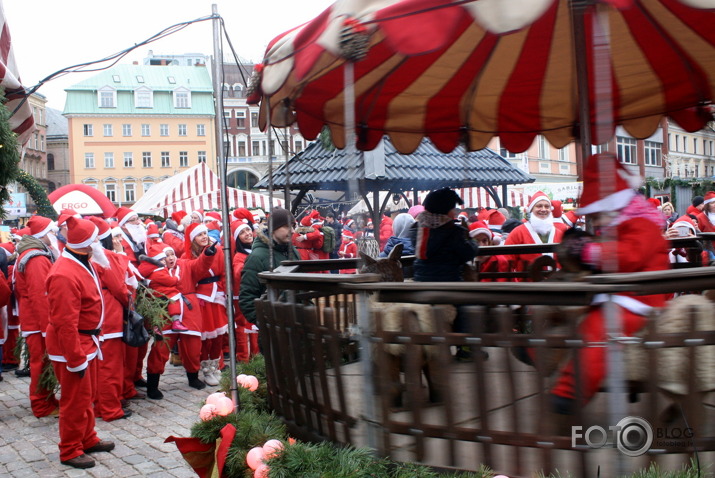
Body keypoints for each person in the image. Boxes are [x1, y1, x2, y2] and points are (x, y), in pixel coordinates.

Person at [550, 153, 670, 416]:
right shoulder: (623, 226)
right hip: (622, 292)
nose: (597, 223)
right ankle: (540, 354)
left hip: (639, 298)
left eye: (600, 215)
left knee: (598, 331)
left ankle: (571, 391)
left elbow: (626, 257)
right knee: (577, 320)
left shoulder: (641, 226)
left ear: (617, 207)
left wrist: (588, 252)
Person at [45, 217, 116, 469]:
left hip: (88, 340)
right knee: (75, 400)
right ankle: (70, 449)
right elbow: (65, 323)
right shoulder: (64, 274)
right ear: (86, 244)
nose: (98, 242)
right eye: (95, 238)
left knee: (88, 395)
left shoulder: (82, 261)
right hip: (73, 346)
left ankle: (87, 437)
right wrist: (75, 359)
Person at [13, 215, 60, 417]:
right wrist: (47, 328)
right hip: (38, 321)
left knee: (41, 362)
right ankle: (42, 404)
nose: (56, 235)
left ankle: (46, 399)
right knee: (40, 362)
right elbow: (41, 295)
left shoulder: (34, 254)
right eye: (53, 231)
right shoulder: (37, 258)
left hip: (35, 320)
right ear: (45, 234)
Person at [87, 216, 133, 420]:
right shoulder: (103, 257)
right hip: (110, 318)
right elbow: (120, 288)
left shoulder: (88, 256)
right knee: (110, 367)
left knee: (100, 366)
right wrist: (129, 303)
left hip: (99, 316)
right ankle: (110, 408)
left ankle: (99, 404)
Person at [184, 223, 228, 387]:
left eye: (205, 233)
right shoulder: (188, 256)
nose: (203, 237)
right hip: (201, 297)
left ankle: (215, 366)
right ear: (193, 239)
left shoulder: (218, 252)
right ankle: (206, 368)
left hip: (217, 296)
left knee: (219, 335)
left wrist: (225, 293)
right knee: (205, 337)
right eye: (199, 235)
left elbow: (224, 272)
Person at [240, 208, 299, 324]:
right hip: (274, 332)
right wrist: (266, 324)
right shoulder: (257, 257)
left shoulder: (294, 252)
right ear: (274, 228)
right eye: (287, 226)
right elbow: (247, 299)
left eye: (293, 226)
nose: (292, 231)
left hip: (298, 326)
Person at [410, 188, 478, 282]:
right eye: (453, 209)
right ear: (447, 211)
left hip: (420, 281)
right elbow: (468, 253)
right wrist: (471, 239)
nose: (454, 213)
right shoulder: (453, 231)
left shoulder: (417, 230)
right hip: (449, 283)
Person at [503, 191, 565, 281]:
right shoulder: (517, 233)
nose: (543, 209)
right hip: (527, 288)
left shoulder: (559, 233)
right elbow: (507, 262)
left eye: (547, 206)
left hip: (555, 288)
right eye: (539, 206)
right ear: (531, 209)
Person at [231, 220, 258, 362]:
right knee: (243, 328)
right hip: (242, 296)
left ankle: (256, 356)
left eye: (248, 230)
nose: (247, 234)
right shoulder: (239, 256)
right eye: (242, 232)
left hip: (252, 294)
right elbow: (237, 273)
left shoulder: (253, 250)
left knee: (254, 327)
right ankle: (243, 359)